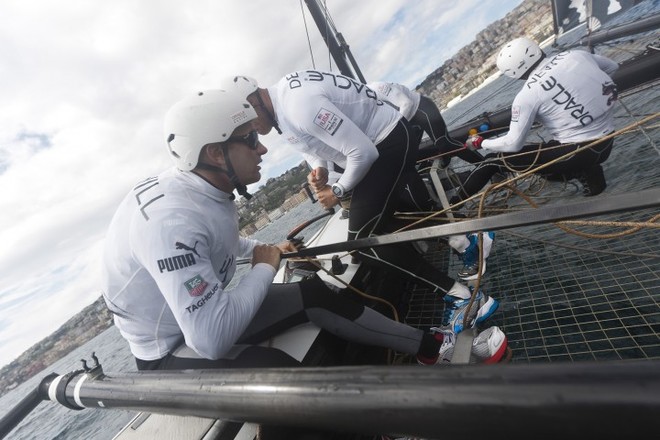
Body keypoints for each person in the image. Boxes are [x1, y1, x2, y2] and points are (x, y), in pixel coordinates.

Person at [100, 88, 508, 377]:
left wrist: (265, 248)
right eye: (251, 140)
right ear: (214, 152)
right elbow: (209, 339)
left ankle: (434, 350)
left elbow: (217, 243)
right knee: (283, 377)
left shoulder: (203, 190)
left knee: (316, 295)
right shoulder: (171, 220)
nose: (263, 149)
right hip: (170, 347)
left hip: (202, 314)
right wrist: (263, 266)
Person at [227, 72, 500, 330]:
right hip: (383, 143)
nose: (251, 133)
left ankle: (464, 298)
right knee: (380, 215)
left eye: (246, 124)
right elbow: (311, 144)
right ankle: (466, 241)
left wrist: (338, 190)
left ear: (252, 103)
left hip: (387, 143)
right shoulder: (282, 107)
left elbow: (362, 152)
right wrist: (319, 169)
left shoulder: (298, 105)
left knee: (362, 241)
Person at [453, 37, 619, 202]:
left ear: (512, 74)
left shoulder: (527, 95)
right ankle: (587, 172)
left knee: (493, 161)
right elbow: (612, 67)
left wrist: (480, 143)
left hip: (577, 152)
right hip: (607, 140)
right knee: (542, 152)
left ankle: (452, 209)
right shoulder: (576, 55)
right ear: (536, 49)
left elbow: (513, 143)